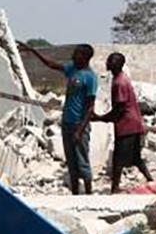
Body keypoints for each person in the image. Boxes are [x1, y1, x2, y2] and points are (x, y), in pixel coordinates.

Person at [21, 42, 98, 194]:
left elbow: (90, 109)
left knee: (82, 160)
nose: (73, 56)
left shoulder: (90, 77)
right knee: (71, 162)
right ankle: (75, 193)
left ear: (85, 57)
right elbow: (51, 65)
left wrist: (80, 130)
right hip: (67, 123)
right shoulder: (73, 70)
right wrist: (32, 51)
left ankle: (89, 193)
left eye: (76, 54)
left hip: (79, 126)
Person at [93, 52, 152, 192]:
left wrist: (101, 118)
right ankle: (150, 179)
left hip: (127, 125)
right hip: (133, 123)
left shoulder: (119, 82)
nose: (108, 63)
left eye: (111, 61)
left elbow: (119, 108)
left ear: (117, 64)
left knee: (118, 160)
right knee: (135, 157)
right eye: (109, 60)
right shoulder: (120, 78)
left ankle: (114, 189)